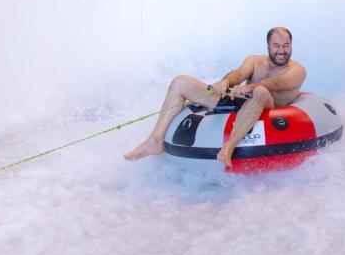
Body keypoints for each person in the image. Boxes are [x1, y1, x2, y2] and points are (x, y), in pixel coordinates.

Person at [124, 27, 307, 166]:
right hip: (240, 102)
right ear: (268, 46)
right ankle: (154, 141)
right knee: (180, 82)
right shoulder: (254, 60)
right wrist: (225, 82)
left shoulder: (297, 70)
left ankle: (229, 147)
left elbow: (276, 84)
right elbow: (239, 73)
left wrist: (250, 87)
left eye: (286, 45)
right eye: (276, 46)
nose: (281, 51)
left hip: (268, 106)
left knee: (260, 91)